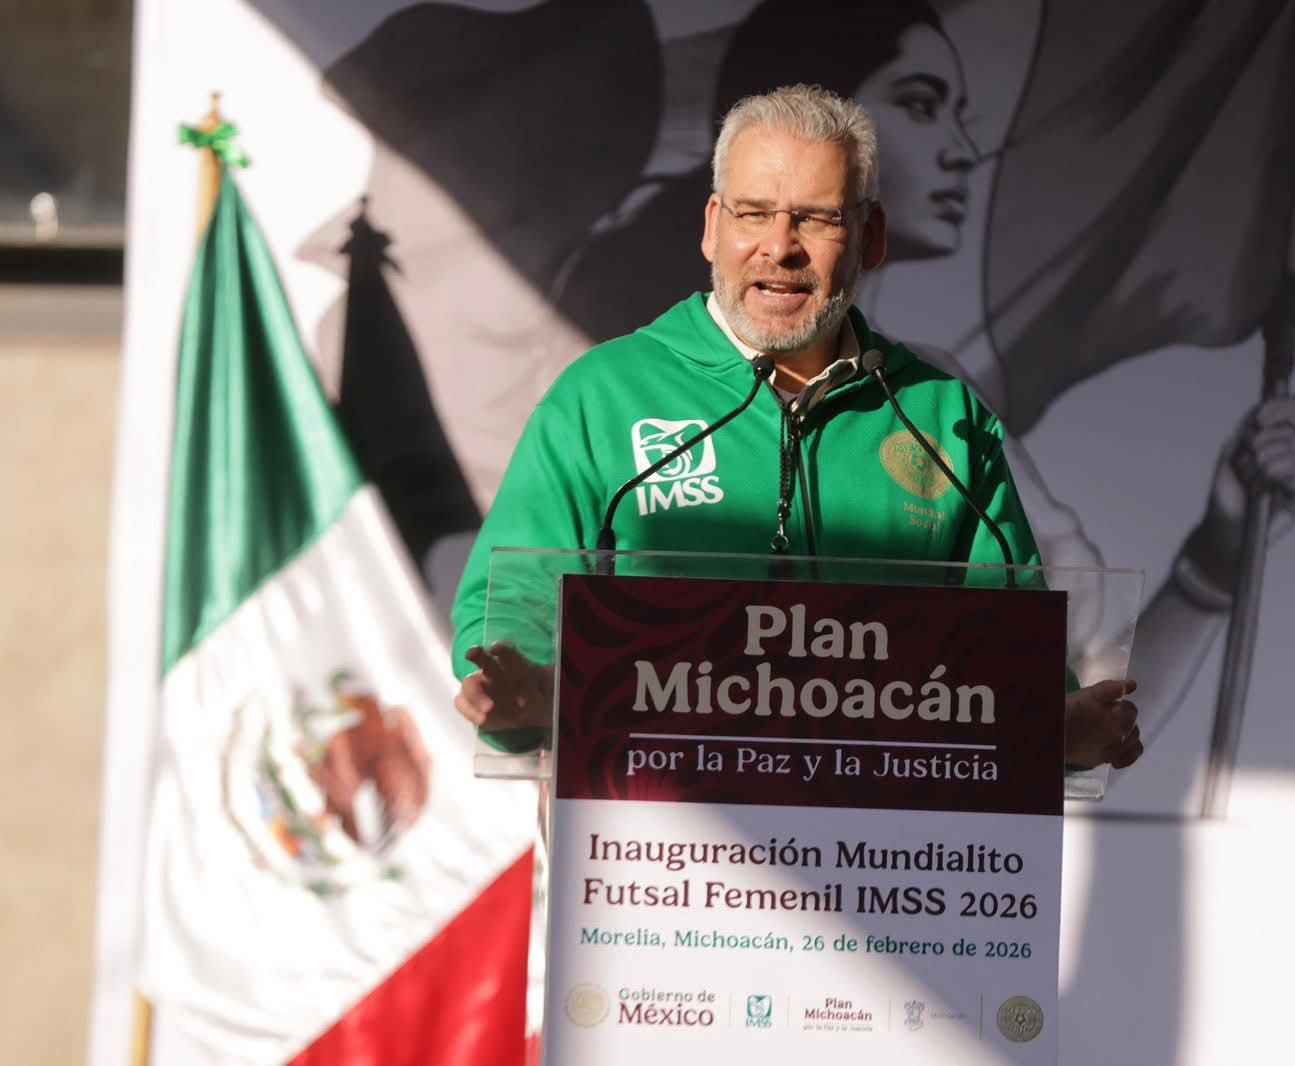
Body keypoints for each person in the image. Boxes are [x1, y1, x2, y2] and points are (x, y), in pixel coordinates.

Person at [450, 84, 1142, 772]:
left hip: (882, 853)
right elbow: (516, 594)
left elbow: (1010, 646)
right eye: (754, 214)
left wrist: (1055, 723)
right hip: (654, 851)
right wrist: (523, 678)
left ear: (870, 238)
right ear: (712, 227)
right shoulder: (602, 396)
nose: (780, 248)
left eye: (816, 219)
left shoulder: (941, 416)